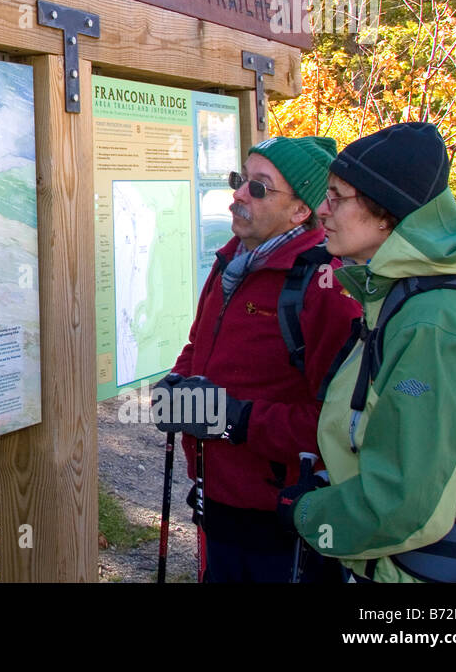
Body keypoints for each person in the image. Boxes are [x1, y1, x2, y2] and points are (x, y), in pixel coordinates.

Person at [278, 122, 456, 582]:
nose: (322, 210)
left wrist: (310, 514)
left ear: (387, 212)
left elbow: (404, 503)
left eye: (338, 196)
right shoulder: (400, 298)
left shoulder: (434, 324)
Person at [155, 135, 361, 581]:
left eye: (259, 187)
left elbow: (336, 422)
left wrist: (236, 419)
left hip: (284, 522)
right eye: (240, 179)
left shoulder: (326, 287)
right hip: (219, 498)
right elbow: (198, 346)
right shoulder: (233, 259)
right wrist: (177, 383)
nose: (238, 195)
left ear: (301, 210)